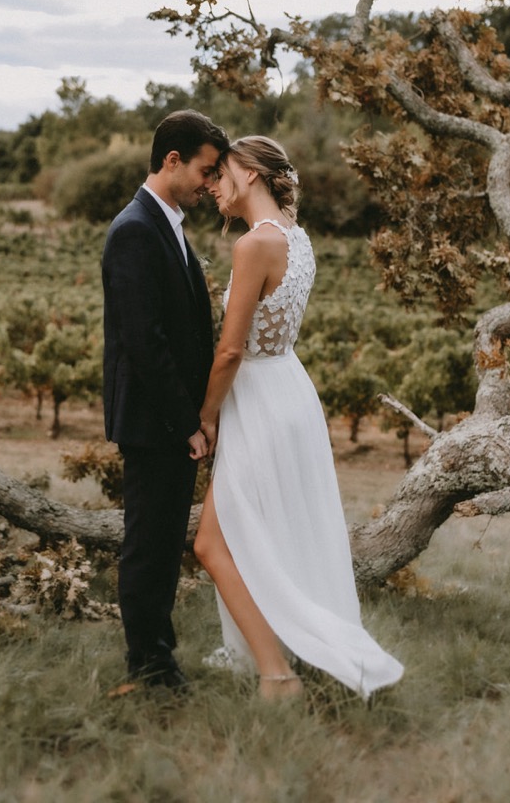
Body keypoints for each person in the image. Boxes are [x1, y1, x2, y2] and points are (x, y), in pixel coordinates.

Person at [194, 135, 404, 701]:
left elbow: (232, 351)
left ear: (252, 175)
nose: (214, 184)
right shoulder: (298, 239)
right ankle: (276, 656)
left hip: (257, 397)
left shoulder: (252, 246)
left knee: (213, 544)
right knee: (262, 534)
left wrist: (206, 417)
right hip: (290, 390)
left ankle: (277, 675)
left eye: (223, 173)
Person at [102, 108, 228, 690]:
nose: (210, 184)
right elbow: (143, 341)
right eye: (206, 171)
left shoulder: (168, 221)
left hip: (170, 419)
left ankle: (159, 654)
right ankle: (147, 668)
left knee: (161, 539)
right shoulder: (134, 229)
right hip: (155, 421)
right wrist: (188, 423)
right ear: (172, 160)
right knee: (148, 545)